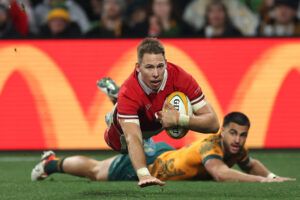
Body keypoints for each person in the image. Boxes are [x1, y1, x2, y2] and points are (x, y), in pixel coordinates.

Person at [31, 112, 295, 184]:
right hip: (154, 164)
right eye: (233, 133)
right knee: (97, 171)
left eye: (243, 135)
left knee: (145, 143)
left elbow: (250, 162)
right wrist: (262, 182)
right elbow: (221, 174)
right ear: (222, 130)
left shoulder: (234, 148)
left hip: (167, 153)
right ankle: (50, 163)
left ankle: (131, 127)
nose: (238, 140)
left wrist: (271, 176)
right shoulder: (212, 145)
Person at [99, 37, 220, 187]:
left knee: (147, 141)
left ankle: (118, 101)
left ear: (166, 64)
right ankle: (115, 106)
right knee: (123, 148)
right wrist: (144, 174)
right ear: (138, 67)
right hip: (124, 131)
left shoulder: (180, 77)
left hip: (155, 122)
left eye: (160, 66)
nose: (156, 73)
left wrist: (180, 119)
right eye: (149, 67)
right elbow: (133, 138)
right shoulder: (129, 91)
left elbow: (214, 124)